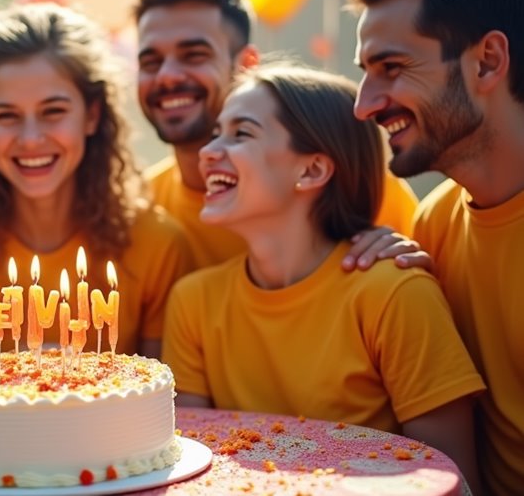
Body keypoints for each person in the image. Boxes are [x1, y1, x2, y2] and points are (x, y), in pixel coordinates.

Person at [162, 63, 485, 491]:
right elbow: (193, 477)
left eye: (241, 133)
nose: (208, 151)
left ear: (312, 171)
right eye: (217, 132)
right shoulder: (192, 302)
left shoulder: (395, 292)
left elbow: (452, 481)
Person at [0, 4, 193, 360]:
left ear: (91, 115)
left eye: (53, 111)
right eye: (6, 115)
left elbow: (160, 400)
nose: (30, 139)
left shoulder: (157, 244)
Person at [347, 0, 524, 495]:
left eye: (391, 67)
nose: (364, 103)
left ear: (488, 61)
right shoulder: (434, 224)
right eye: (364, 72)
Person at [133, 0, 422, 271]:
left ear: (246, 65)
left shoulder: (347, 182)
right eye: (151, 61)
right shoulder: (136, 211)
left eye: (193, 55)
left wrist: (397, 250)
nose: (167, 76)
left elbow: (418, 276)